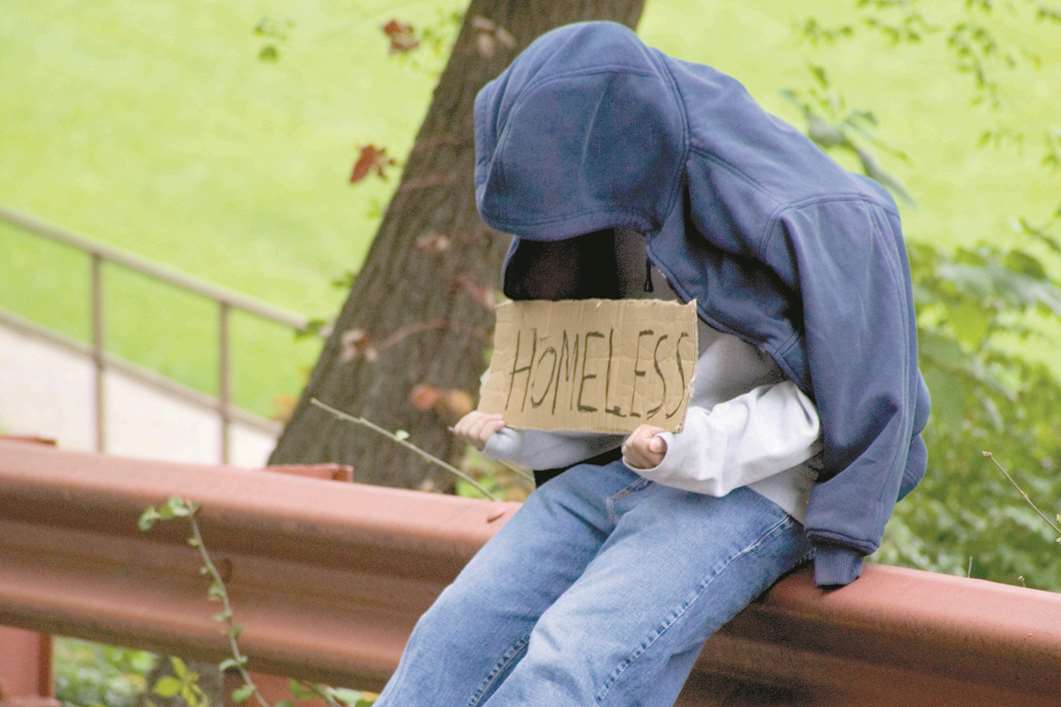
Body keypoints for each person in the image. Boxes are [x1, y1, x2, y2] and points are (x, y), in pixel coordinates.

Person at [373, 19, 930, 706]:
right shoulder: (584, 168)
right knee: (450, 639)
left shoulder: (814, 216)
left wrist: (688, 449)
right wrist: (531, 428)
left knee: (571, 667)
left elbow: (841, 411)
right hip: (624, 463)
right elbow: (602, 368)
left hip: (755, 483)